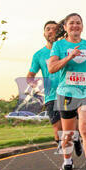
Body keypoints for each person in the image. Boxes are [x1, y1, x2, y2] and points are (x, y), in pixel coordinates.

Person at [48, 13, 86, 170]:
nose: (75, 26)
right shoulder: (59, 45)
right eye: (71, 23)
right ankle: (67, 164)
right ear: (65, 27)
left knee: (85, 127)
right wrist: (69, 56)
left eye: (78, 23)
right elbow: (51, 68)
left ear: (82, 26)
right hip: (67, 92)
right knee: (69, 134)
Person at [27, 21, 63, 149]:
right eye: (48, 29)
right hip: (51, 95)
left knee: (70, 126)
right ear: (44, 34)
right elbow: (30, 76)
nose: (51, 31)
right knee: (57, 127)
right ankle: (67, 159)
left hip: (68, 91)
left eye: (54, 29)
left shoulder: (65, 49)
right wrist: (34, 86)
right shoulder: (39, 55)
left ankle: (75, 141)